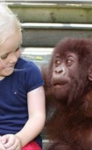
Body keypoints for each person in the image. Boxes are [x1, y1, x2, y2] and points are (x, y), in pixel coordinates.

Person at [0, 3, 46, 150]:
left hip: (25, 140)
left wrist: (19, 139)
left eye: (17, 49)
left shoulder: (29, 72)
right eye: (5, 55)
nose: (13, 59)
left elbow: (37, 116)